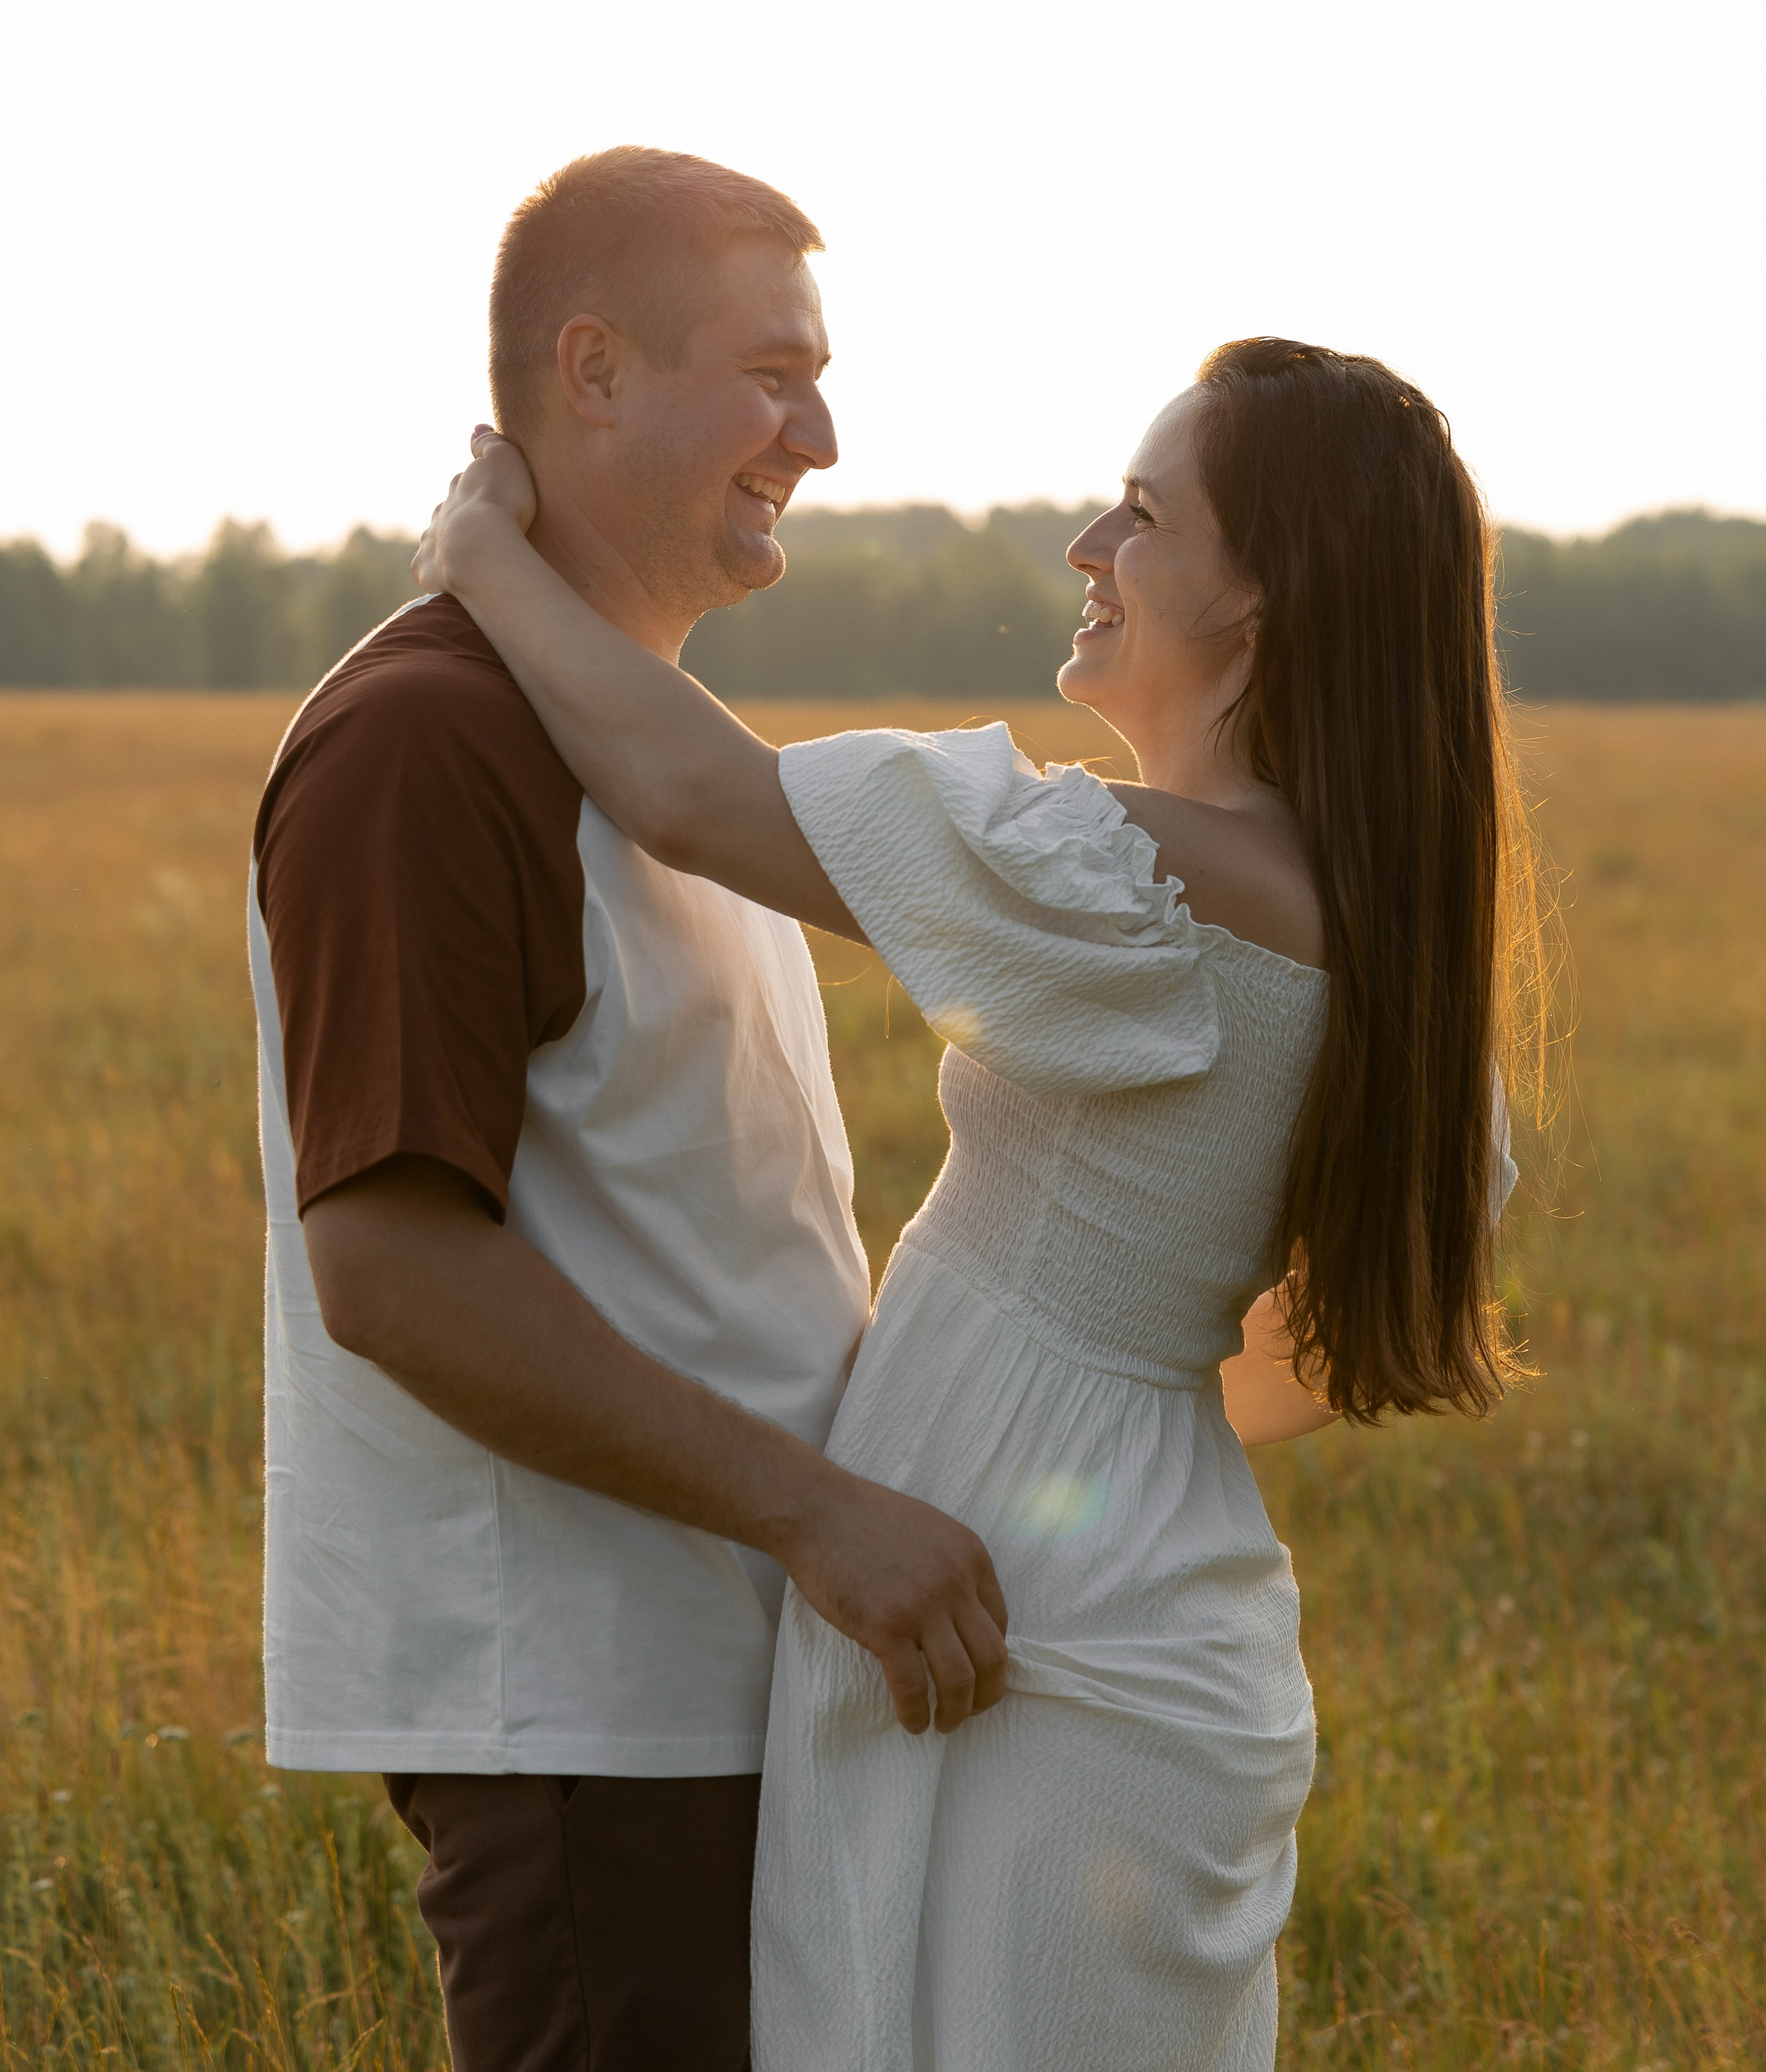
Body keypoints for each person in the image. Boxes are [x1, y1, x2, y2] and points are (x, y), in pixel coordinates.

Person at [415, 335, 1534, 2071]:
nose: (1086, 548)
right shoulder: (1382, 939)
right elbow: (1324, 1342)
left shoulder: (1136, 878)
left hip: (1032, 1656)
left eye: (1144, 516)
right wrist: (1111, 1389)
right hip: (1130, 1619)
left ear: (1262, 600)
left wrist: (479, 551)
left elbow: (690, 790)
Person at [246, 146, 1020, 2072]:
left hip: (731, 1701)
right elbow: (395, 1270)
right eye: (771, 374)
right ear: (589, 374)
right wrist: (817, 1512)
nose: (819, 436)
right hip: (586, 1727)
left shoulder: (654, 758)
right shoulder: (428, 740)